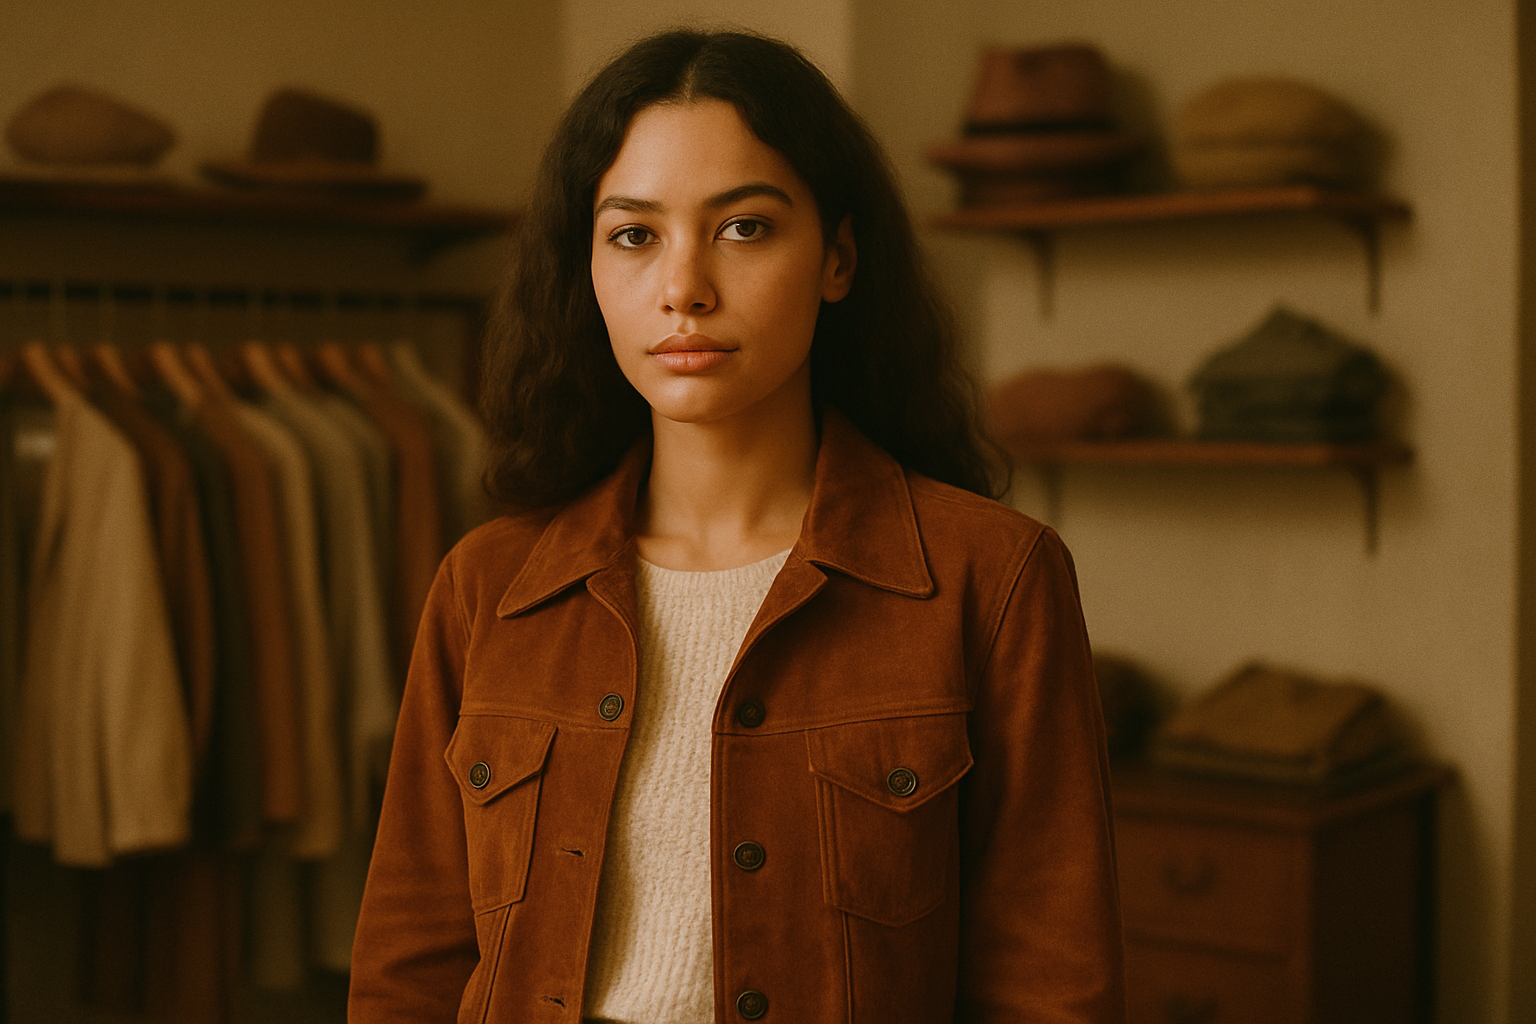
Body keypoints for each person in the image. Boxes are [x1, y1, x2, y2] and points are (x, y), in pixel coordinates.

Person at [349, 29, 1125, 1024]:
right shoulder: (487, 585)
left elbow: (1051, 986)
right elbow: (408, 969)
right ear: (585, 268)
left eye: (745, 228)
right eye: (635, 234)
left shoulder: (994, 576)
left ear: (838, 258)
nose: (684, 287)